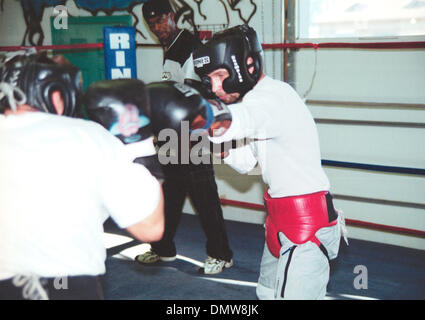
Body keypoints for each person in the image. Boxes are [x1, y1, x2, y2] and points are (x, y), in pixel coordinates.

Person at [147, 24, 345, 299]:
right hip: (279, 220)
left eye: (220, 75)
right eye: (209, 80)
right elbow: (245, 162)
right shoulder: (256, 101)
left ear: (248, 65)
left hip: (306, 226)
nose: (215, 87)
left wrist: (198, 114)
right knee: (265, 293)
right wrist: (208, 138)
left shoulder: (272, 97)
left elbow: (241, 120)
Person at [0, 52, 164, 300]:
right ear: (57, 95)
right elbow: (150, 227)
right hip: (67, 285)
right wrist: (139, 143)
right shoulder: (88, 136)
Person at [135, 0, 234, 275]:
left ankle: (222, 254)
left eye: (160, 21)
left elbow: (194, 94)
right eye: (152, 24)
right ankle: (163, 248)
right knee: (171, 191)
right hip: (175, 132)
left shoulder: (188, 45)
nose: (157, 28)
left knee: (204, 194)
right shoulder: (174, 45)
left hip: (193, 130)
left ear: (171, 16)